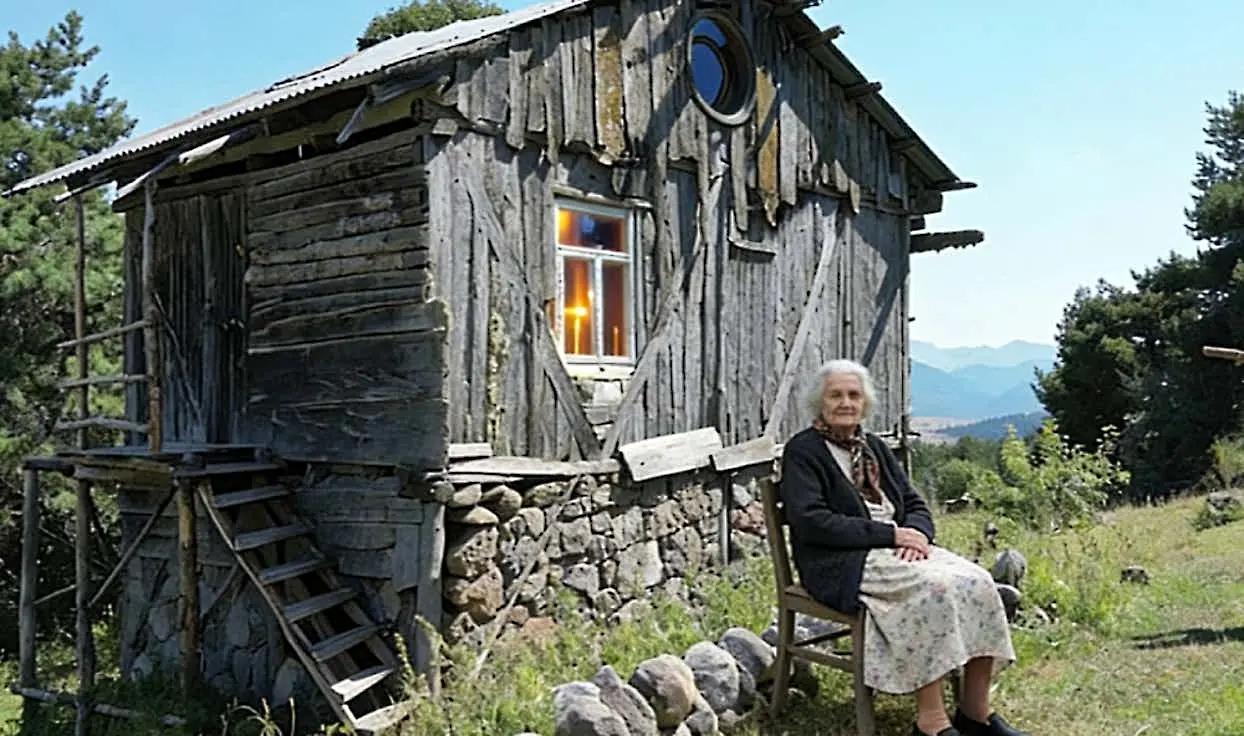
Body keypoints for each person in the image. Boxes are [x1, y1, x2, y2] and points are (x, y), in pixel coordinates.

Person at [779, 359, 1028, 736]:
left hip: (895, 547)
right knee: (934, 589)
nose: (845, 402)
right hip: (839, 561)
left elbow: (914, 505)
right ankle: (930, 722)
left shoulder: (873, 446)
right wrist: (892, 536)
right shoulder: (804, 451)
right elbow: (813, 521)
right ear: (820, 402)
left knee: (978, 581)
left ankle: (975, 714)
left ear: (865, 402)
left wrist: (917, 534)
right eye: (836, 395)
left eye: (853, 395)